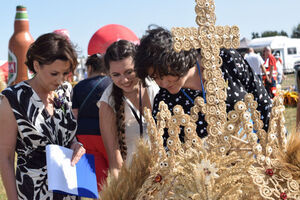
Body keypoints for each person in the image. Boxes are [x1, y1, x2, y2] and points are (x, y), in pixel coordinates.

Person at [135, 26, 272, 143]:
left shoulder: (224, 59)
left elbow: (262, 101)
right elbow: (166, 150)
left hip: (255, 158)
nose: (163, 83)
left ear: (179, 60)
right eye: (155, 77)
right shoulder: (164, 102)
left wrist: (269, 147)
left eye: (166, 73)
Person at [0, 33, 86, 200]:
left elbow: (66, 134)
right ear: (37, 66)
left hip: (69, 188)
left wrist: (76, 144)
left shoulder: (64, 91)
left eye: (65, 73)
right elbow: (5, 157)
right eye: (54, 73)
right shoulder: (13, 99)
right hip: (34, 191)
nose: (60, 80)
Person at [98, 40, 159, 178]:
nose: (124, 80)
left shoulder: (156, 86)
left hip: (166, 175)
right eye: (116, 75)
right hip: (134, 179)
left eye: (129, 72)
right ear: (108, 74)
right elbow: (115, 162)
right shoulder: (107, 102)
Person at [72, 53, 112, 190]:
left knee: (96, 183)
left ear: (89, 67)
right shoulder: (112, 84)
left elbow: (74, 115)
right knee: (118, 174)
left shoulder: (78, 86)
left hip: (84, 136)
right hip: (107, 134)